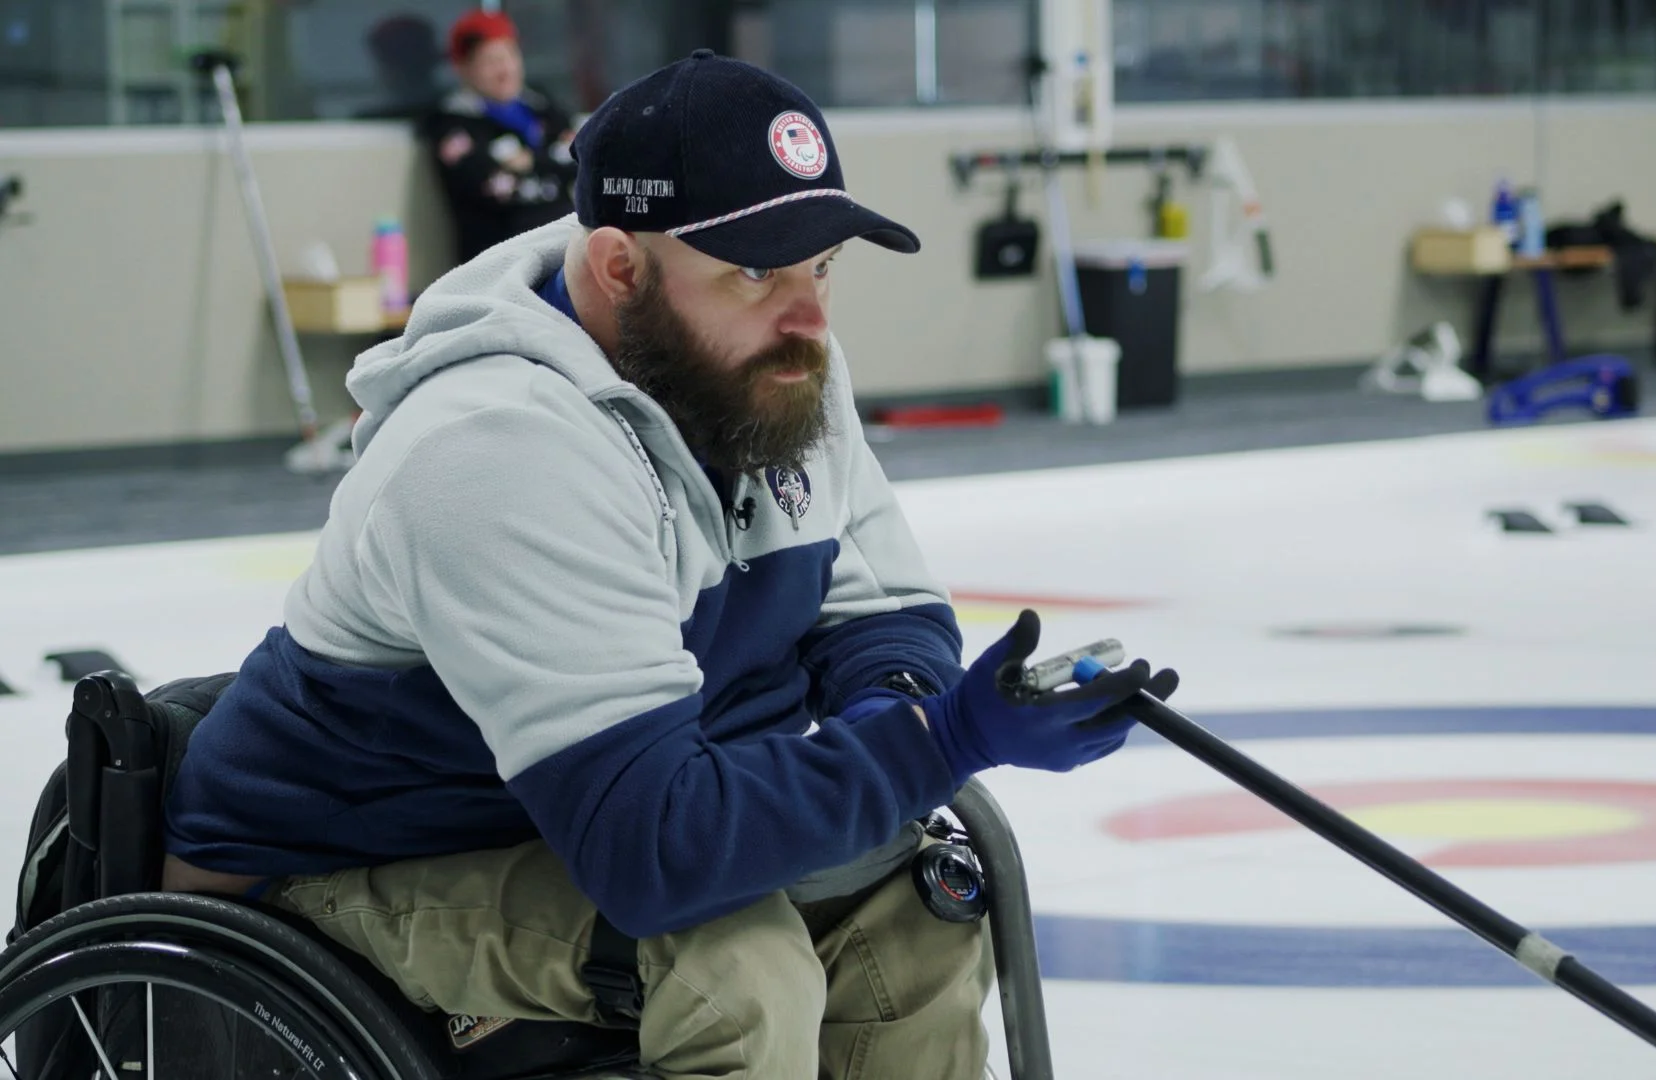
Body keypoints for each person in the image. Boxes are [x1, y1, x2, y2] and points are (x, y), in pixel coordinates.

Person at [161, 49, 1178, 1080]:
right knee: (734, 970)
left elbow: (883, 606)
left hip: (578, 819)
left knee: (918, 915)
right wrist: (939, 738)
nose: (809, 317)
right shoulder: (494, 446)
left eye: (820, 266)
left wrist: (896, 712)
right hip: (345, 867)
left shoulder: (772, 362)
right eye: (755, 271)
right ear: (617, 268)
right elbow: (654, 854)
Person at [419, 8, 579, 262]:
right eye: (490, 61)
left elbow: (582, 162)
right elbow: (495, 192)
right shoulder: (451, 123)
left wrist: (529, 163)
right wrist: (552, 167)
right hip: (498, 261)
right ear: (464, 68)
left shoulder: (542, 107)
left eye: (509, 56)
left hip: (566, 252)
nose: (504, 70)